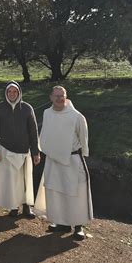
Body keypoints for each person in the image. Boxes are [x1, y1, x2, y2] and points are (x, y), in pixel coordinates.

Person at [37, 86, 93, 240]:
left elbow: (83, 137)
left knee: (75, 193)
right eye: (56, 96)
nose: (59, 98)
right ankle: (62, 223)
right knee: (57, 192)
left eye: (62, 96)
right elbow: (45, 134)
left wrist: (84, 154)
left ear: (66, 97)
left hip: (72, 160)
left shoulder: (76, 116)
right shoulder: (47, 113)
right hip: (53, 160)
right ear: (50, 97)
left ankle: (78, 226)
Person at [0, 81, 41, 218]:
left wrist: (36, 152)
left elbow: (33, 131)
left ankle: (26, 207)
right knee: (11, 181)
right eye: (9, 91)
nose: (12, 94)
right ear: (5, 93)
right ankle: (13, 207)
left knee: (25, 180)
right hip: (6, 150)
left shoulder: (27, 108)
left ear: (19, 93)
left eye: (15, 92)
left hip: (24, 151)